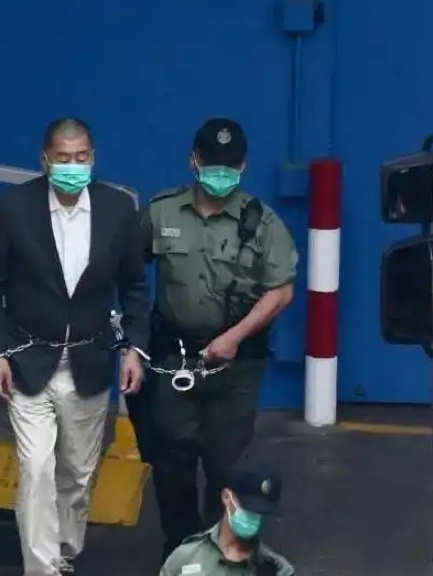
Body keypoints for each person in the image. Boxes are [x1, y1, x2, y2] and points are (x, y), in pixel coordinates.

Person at [0, 118, 150, 575]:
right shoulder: (14, 208)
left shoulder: (118, 210)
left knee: (76, 473)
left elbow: (134, 287)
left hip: (89, 361)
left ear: (93, 157)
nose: (74, 166)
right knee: (35, 469)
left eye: (81, 157)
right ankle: (43, 567)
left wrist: (134, 348)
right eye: (64, 158)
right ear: (45, 160)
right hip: (28, 358)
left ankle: (64, 550)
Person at [138, 118, 298, 559]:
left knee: (225, 466)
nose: (220, 174)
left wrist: (234, 336)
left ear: (243, 166)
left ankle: (215, 556)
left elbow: (281, 291)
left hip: (236, 366)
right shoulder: (162, 212)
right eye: (212, 165)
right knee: (171, 464)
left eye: (229, 166)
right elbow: (128, 268)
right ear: (194, 161)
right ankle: (178, 552)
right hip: (175, 360)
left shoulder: (262, 223)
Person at [159, 463, 294, 576]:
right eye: (248, 507)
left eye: (260, 512)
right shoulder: (186, 557)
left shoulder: (278, 570)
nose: (253, 516)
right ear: (226, 497)